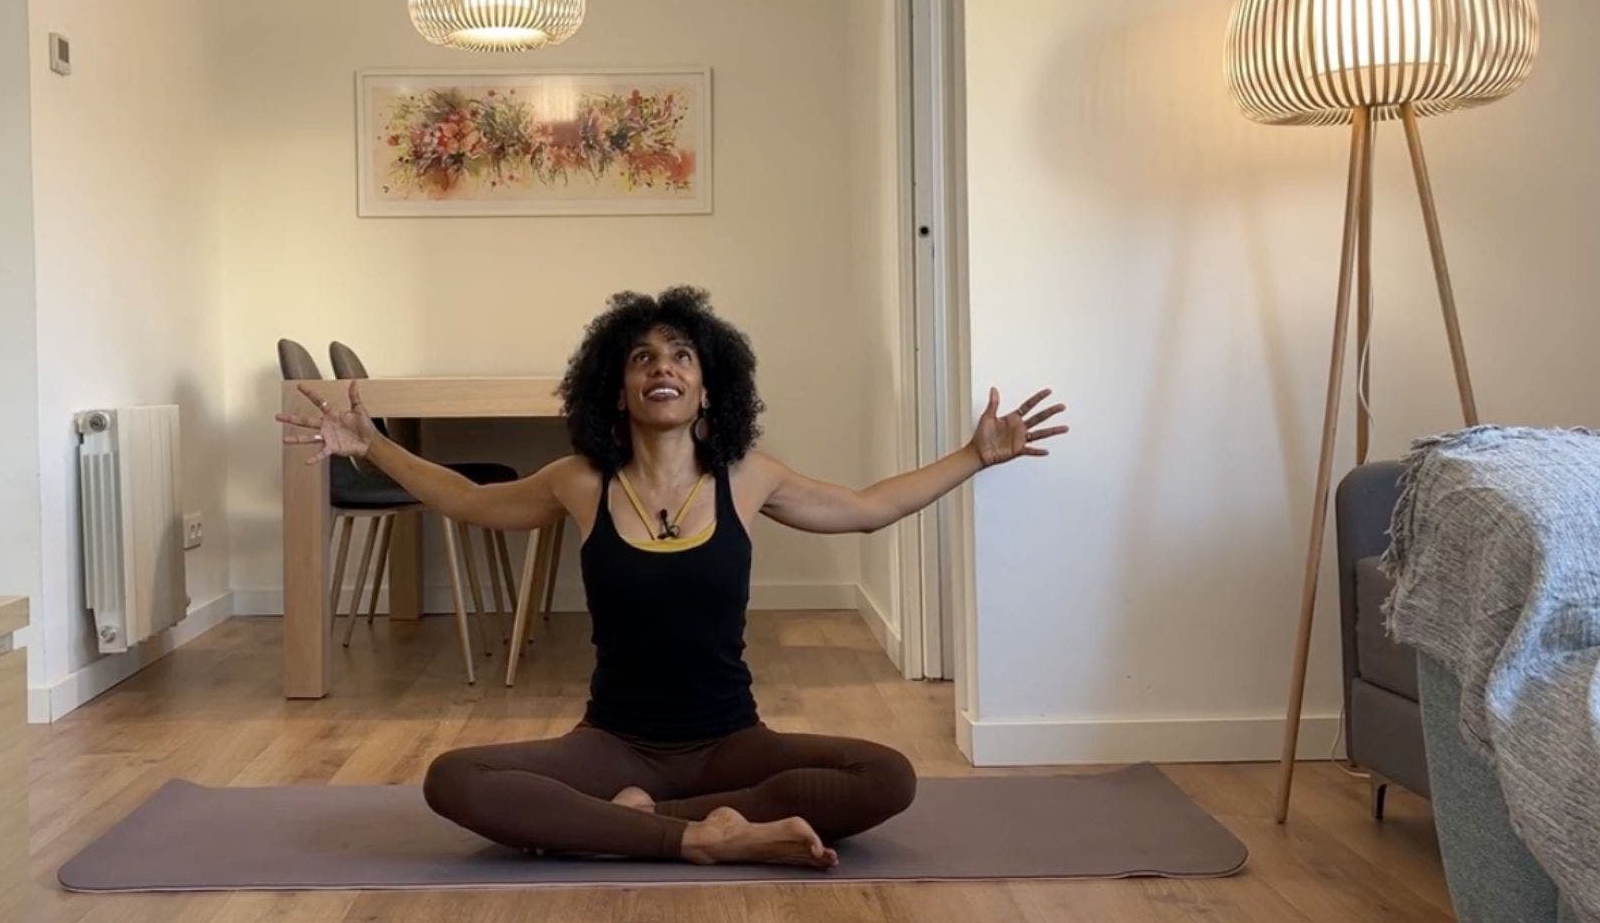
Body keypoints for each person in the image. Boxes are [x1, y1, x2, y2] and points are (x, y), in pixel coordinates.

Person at [278, 287, 1067, 868]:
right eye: (643, 357)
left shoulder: (748, 479)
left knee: (886, 776)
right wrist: (371, 444)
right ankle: (710, 835)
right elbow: (474, 502)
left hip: (731, 743)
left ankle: (632, 824)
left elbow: (864, 508)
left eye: (682, 356)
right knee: (454, 778)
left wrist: (976, 456)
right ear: (617, 388)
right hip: (615, 743)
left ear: (707, 387)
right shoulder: (581, 480)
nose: (664, 367)